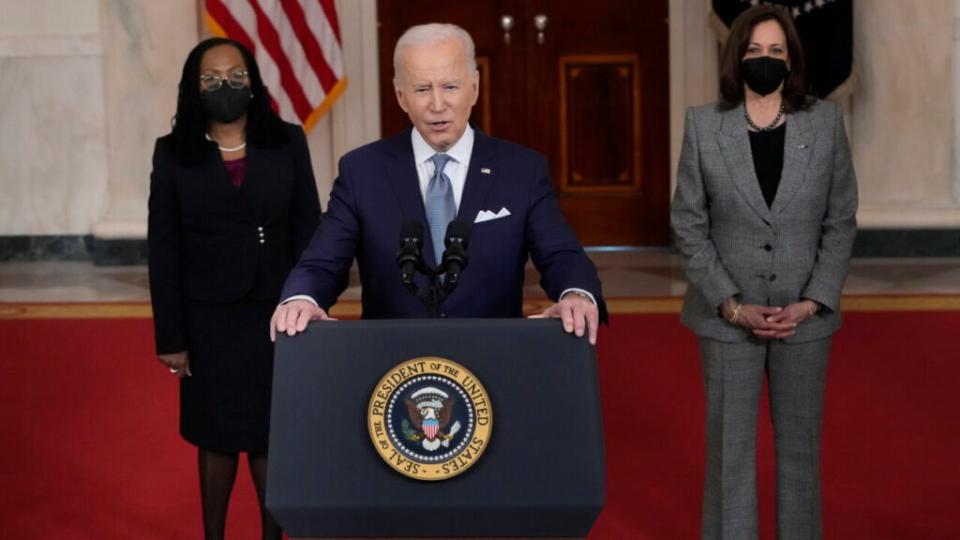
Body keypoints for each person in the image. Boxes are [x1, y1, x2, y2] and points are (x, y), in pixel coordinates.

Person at [270, 23, 605, 342]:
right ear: (401, 96)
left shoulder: (521, 169)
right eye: (421, 89)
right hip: (392, 363)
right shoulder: (363, 170)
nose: (437, 105)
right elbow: (323, 260)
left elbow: (562, 254)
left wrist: (575, 293)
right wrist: (303, 298)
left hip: (492, 358)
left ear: (474, 87)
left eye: (450, 86)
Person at [670, 6, 857, 540]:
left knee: (800, 451)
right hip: (727, 318)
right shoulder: (704, 126)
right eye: (754, 51)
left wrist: (815, 299)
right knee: (730, 454)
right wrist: (730, 302)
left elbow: (840, 220)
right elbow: (688, 223)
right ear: (737, 57)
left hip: (805, 319)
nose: (766, 61)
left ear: (793, 59)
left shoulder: (824, 123)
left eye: (777, 52)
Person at [148, 37, 320, 540]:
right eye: (211, 78)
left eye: (236, 74)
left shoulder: (288, 141)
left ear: (254, 80)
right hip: (208, 319)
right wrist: (171, 337)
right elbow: (164, 249)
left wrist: (311, 304)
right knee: (217, 437)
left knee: (271, 436)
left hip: (276, 313)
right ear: (193, 88)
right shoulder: (173, 153)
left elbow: (310, 230)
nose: (226, 85)